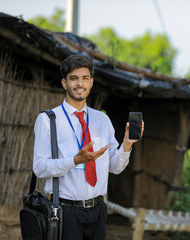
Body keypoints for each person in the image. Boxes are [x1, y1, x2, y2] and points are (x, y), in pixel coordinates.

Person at [33, 54, 144, 240]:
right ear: (64, 83)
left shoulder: (102, 119)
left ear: (91, 83)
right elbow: (40, 168)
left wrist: (126, 144)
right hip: (64, 211)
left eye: (85, 78)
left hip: (98, 210)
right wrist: (75, 161)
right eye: (73, 78)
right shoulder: (48, 120)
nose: (80, 84)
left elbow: (115, 167)